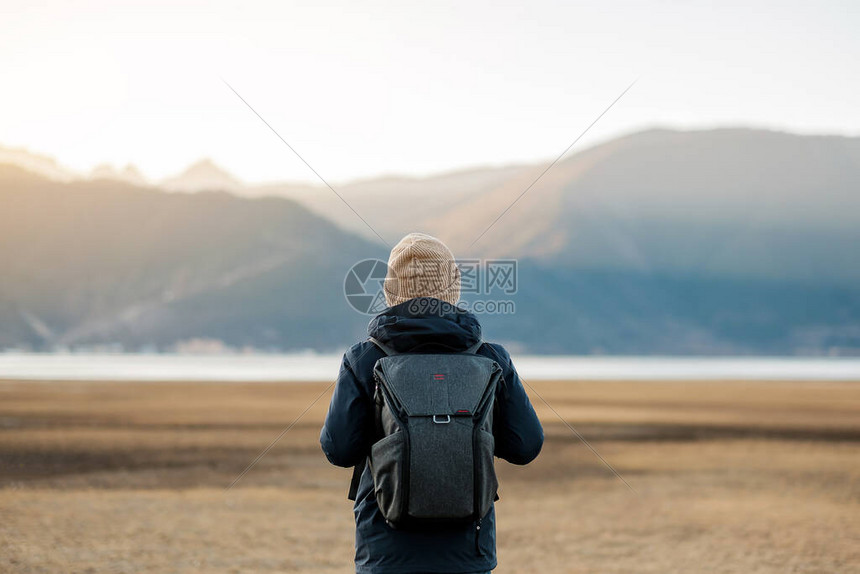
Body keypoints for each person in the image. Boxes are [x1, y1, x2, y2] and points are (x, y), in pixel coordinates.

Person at [321, 232, 544, 574]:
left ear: (390, 290)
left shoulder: (363, 358)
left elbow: (339, 450)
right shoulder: (490, 357)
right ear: (453, 287)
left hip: (385, 550)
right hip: (467, 550)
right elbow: (525, 446)